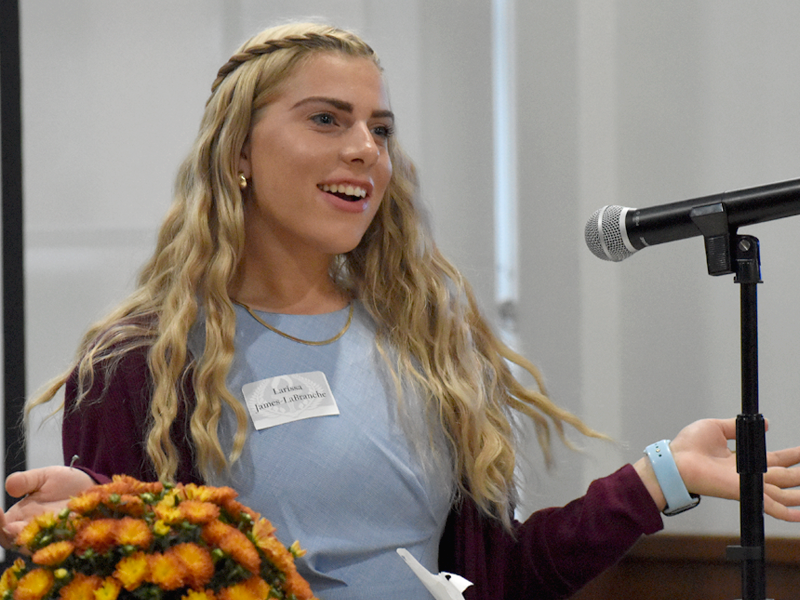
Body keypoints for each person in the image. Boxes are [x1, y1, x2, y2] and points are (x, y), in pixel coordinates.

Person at [3, 22, 800, 600]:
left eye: (378, 128)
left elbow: (499, 577)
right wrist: (92, 524)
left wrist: (662, 476)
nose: (365, 148)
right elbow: (135, 570)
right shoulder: (141, 360)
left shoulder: (423, 339)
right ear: (238, 151)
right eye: (327, 118)